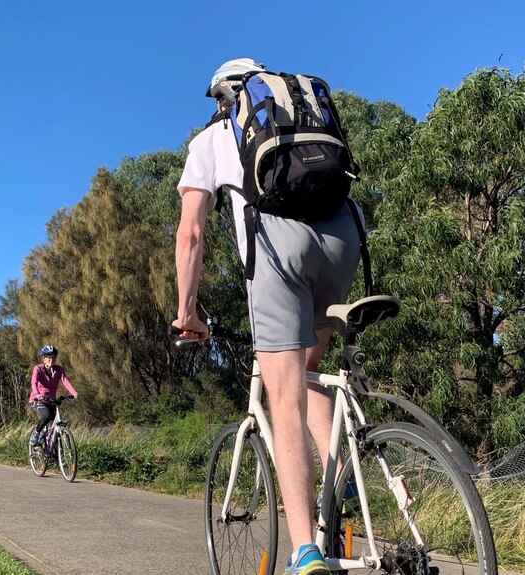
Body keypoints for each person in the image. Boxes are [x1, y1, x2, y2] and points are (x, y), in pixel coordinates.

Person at [172, 58, 361, 575]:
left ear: (219, 100)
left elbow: (190, 233)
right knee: (309, 368)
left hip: (279, 247)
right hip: (343, 237)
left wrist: (186, 311)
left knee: (285, 399)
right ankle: (341, 471)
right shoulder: (296, 119)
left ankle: (304, 551)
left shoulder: (211, 141)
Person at [29, 345, 78, 448]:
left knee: (55, 427)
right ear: (44, 359)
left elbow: (65, 381)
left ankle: (55, 454)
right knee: (46, 416)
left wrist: (74, 392)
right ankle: (36, 434)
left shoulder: (58, 370)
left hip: (51, 401)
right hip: (38, 400)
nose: (51, 359)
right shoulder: (38, 369)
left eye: (53, 357)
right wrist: (37, 394)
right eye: (49, 357)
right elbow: (34, 382)